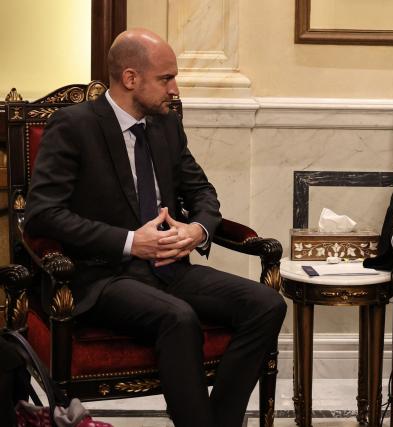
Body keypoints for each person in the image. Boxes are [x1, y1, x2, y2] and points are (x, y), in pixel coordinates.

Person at [24, 28, 286, 427]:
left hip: (169, 270)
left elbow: (202, 192)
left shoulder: (165, 126)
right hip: (101, 276)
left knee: (267, 304)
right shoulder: (74, 126)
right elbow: (43, 213)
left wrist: (197, 230)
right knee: (177, 317)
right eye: (166, 78)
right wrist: (130, 242)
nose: (175, 89)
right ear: (131, 78)